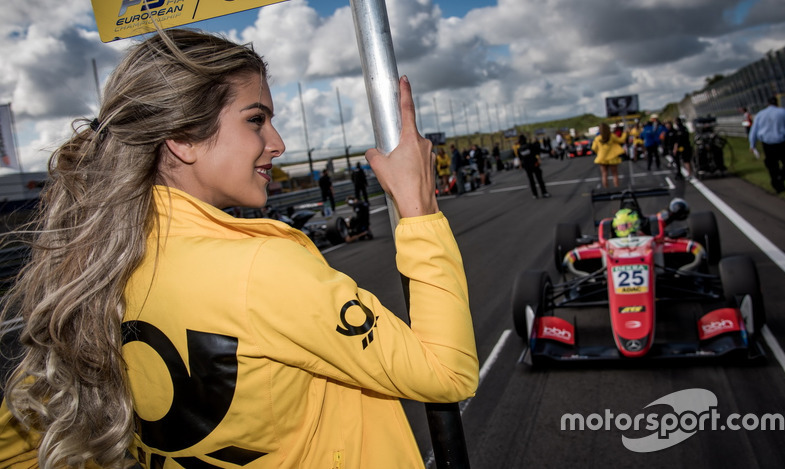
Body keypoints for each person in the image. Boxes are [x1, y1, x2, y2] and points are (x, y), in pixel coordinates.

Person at [0, 30, 478, 468]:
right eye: (256, 120)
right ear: (184, 138)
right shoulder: (260, 268)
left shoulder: (92, 264)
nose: (278, 143)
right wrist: (419, 210)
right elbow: (446, 372)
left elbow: (19, 442)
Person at [749, 96, 785, 193]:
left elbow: (753, 130)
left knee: (772, 166)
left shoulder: (760, 114)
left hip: (768, 144)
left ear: (768, 104)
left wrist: (752, 144)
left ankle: (778, 184)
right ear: (777, 103)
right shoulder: (782, 112)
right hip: (783, 142)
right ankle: (781, 178)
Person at [591, 122, 626, 188]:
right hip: (612, 158)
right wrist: (624, 133)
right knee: (615, 174)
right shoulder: (611, 136)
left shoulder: (597, 138)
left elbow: (593, 148)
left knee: (604, 174)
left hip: (602, 158)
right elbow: (621, 140)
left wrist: (598, 152)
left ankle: (606, 190)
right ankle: (617, 188)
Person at [517, 134, 550, 199]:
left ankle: (535, 194)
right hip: (534, 164)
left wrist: (520, 166)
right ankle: (544, 192)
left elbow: (520, 159)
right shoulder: (530, 145)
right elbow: (538, 150)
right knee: (539, 179)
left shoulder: (519, 149)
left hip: (527, 167)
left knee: (531, 180)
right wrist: (549, 151)